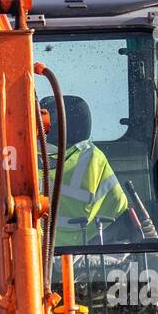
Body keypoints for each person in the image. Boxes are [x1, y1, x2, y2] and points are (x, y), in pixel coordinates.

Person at [40, 95, 128, 247]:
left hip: (34, 252)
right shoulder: (93, 158)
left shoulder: (18, 155)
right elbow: (119, 210)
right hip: (87, 254)